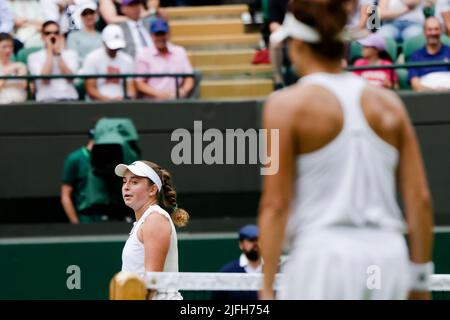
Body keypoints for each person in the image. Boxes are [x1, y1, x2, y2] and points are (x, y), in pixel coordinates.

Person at [259, 0, 433, 300]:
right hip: (387, 262)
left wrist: (266, 287)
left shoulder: (283, 106)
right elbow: (419, 200)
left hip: (321, 262)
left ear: (298, 44)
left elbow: (276, 204)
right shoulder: (390, 105)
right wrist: (418, 279)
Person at [115, 160, 189, 300]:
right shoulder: (145, 221)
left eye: (134, 182)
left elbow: (152, 282)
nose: (126, 187)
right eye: (124, 181)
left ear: (152, 189)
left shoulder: (155, 219)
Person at [135, 18, 194, 99]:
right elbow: (139, 83)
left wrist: (183, 91)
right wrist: (159, 94)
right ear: (152, 35)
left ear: (168, 34)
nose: (160, 37)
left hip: (176, 100)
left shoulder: (180, 51)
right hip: (153, 102)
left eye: (162, 34)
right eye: (157, 34)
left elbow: (189, 77)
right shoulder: (144, 54)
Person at [27, 20, 79, 102]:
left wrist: (58, 54)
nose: (52, 36)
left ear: (60, 35)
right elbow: (45, 79)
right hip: (46, 99)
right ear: (42, 36)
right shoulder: (33, 57)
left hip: (69, 98)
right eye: (48, 33)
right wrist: (50, 52)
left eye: (56, 33)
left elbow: (70, 78)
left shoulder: (71, 54)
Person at [81, 24, 135, 101]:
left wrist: (126, 99)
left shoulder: (127, 60)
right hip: (97, 105)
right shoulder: (92, 58)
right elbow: (90, 89)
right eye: (112, 47)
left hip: (122, 105)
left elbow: (131, 89)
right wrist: (110, 100)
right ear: (103, 42)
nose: (115, 49)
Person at [212, 224, 263, 300]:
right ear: (241, 244)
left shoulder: (275, 270)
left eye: (258, 240)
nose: (256, 244)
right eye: (251, 240)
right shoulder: (227, 272)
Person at [61, 128, 96, 224]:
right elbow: (65, 195)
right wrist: (76, 223)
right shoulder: (75, 159)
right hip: (85, 218)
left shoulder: (112, 158)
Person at [409, 16, 450, 91]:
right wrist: (437, 92)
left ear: (441, 31)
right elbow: (415, 85)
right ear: (424, 32)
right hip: (427, 98)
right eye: (430, 29)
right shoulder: (416, 56)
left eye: (436, 29)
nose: (433, 33)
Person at [67, 0, 103, 65]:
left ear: (95, 15)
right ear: (80, 16)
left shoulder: (102, 36)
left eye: (91, 13)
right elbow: (73, 58)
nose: (88, 16)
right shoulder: (73, 36)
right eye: (85, 14)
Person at [0, 33, 27, 103]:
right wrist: (7, 74)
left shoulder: (20, 65)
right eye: (4, 47)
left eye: (10, 46)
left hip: (18, 103)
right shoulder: (17, 67)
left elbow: (24, 86)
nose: (8, 50)